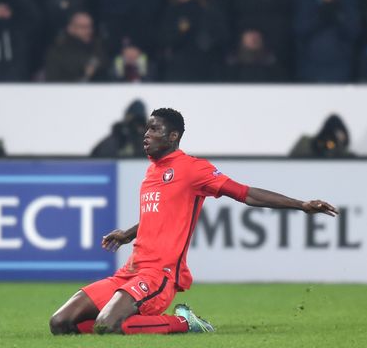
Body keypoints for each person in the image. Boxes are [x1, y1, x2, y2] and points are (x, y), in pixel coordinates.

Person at [50, 108, 338, 335]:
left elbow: (245, 194)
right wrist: (128, 234)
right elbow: (160, 215)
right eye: (146, 128)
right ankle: (127, 319)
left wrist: (300, 205)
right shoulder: (152, 172)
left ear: (173, 136)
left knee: (105, 326)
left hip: (159, 276)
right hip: (130, 271)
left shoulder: (193, 169)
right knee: (61, 323)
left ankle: (184, 322)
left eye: (154, 128)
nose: (146, 134)